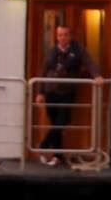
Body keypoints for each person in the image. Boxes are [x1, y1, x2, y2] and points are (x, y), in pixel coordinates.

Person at [37, 21, 96, 164]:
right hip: (51, 91)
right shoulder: (52, 51)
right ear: (56, 37)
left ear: (70, 36)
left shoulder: (77, 50)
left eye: (65, 35)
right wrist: (40, 92)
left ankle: (43, 145)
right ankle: (58, 156)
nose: (62, 38)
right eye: (59, 35)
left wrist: (97, 75)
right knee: (55, 122)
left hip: (67, 92)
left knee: (62, 121)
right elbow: (44, 71)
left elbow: (89, 62)